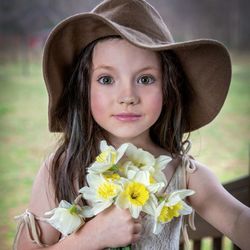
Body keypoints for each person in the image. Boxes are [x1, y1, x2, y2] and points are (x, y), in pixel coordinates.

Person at [14, 0, 250, 249]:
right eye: (106, 79)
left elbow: (237, 220)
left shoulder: (184, 174)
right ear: (84, 90)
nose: (128, 96)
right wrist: (89, 238)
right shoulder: (62, 168)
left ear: (168, 88)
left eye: (145, 79)